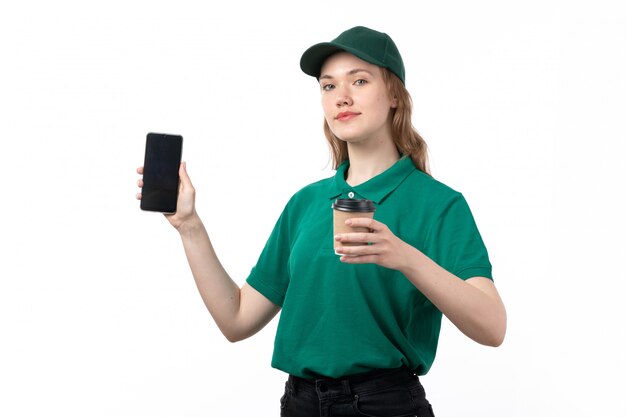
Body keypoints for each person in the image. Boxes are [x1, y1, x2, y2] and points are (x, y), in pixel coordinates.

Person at [136, 26, 506, 417]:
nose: (341, 97)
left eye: (359, 81)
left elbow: (492, 327)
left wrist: (405, 257)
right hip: (300, 405)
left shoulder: (438, 204)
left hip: (386, 406)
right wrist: (189, 225)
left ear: (394, 94)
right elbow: (237, 319)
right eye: (328, 87)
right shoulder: (305, 203)